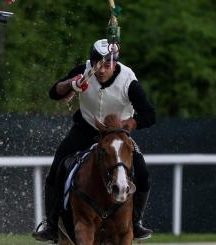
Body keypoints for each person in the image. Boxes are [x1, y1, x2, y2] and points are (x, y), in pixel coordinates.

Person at [32, 39, 155, 243]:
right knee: (56, 169)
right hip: (85, 129)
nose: (101, 70)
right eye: (97, 64)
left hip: (118, 134)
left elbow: (149, 114)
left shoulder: (128, 81)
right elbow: (54, 92)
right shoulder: (83, 71)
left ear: (115, 64)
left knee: (143, 174)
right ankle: (51, 225)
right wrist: (72, 84)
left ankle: (136, 221)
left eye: (107, 65)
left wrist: (128, 124)